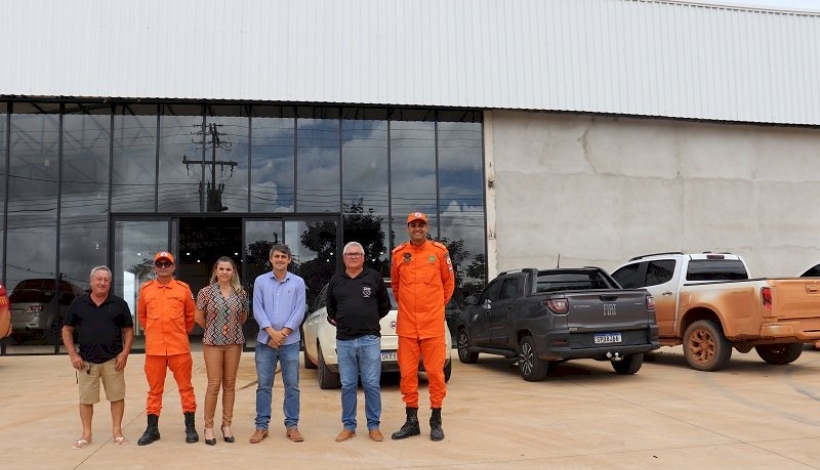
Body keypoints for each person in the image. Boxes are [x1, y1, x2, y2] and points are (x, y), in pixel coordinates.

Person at [390, 211, 455, 442]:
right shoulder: (399, 254)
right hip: (407, 326)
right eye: (413, 225)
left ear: (426, 228)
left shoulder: (439, 252)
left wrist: (435, 307)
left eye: (421, 225)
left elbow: (449, 284)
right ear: (408, 228)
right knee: (407, 374)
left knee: (435, 374)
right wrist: (409, 307)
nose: (417, 228)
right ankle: (412, 422)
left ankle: (436, 420)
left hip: (432, 326)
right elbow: (396, 286)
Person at [62, 266, 134, 450]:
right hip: (86, 362)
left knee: (117, 397)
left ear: (110, 283)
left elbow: (128, 330)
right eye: (99, 279)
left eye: (106, 280)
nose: (102, 283)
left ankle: (117, 432)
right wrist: (73, 355)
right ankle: (86, 434)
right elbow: (67, 330)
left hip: (113, 361)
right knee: (86, 399)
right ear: (91, 281)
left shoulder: (119, 304)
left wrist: (125, 353)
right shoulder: (78, 304)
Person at [326, 241, 391, 443]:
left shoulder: (373, 277)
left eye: (357, 253)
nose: (353, 256)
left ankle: (374, 426)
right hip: (344, 340)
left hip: (369, 338)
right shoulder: (336, 280)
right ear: (344, 258)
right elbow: (330, 309)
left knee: (371, 383)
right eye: (349, 254)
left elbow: (384, 305)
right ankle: (349, 426)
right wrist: (345, 321)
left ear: (363, 257)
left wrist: (369, 319)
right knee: (347, 384)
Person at [136, 251, 199, 445]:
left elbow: (190, 317)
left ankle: (190, 427)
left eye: (167, 264)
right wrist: (154, 333)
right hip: (155, 350)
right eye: (159, 264)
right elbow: (142, 317)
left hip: (178, 348)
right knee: (154, 391)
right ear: (154, 267)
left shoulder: (183, 289)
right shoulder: (146, 290)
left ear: (173, 267)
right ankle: (152, 429)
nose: (163, 267)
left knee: (186, 388)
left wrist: (179, 333)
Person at [250, 244, 307, 444]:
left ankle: (292, 426)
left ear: (289, 260)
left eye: (284, 256)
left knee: (292, 385)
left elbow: (299, 310)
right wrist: (272, 333)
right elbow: (257, 309)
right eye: (277, 256)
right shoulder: (261, 281)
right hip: (265, 341)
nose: (280, 259)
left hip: (290, 342)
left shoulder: (298, 282)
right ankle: (261, 426)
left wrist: (283, 333)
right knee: (264, 386)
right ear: (271, 259)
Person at [194, 256, 249, 446]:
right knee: (213, 384)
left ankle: (227, 425)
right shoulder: (205, 293)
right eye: (221, 269)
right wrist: (213, 329)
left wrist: (230, 329)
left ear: (233, 272)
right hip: (212, 344)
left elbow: (243, 317)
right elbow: (198, 317)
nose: (225, 272)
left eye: (228, 269)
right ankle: (208, 427)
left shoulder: (241, 293)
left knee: (230, 384)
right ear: (215, 271)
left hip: (234, 343)